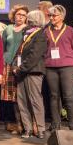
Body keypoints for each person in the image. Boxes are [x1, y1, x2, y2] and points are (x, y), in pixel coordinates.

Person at [13, 10, 47, 138]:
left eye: (28, 18)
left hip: (33, 71)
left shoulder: (40, 35)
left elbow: (34, 56)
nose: (26, 19)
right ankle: (27, 128)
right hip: (22, 72)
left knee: (35, 100)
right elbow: (20, 52)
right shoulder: (26, 34)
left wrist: (20, 68)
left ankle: (40, 129)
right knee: (22, 101)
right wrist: (15, 65)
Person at [45, 5, 73, 131]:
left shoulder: (69, 30)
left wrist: (72, 62)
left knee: (68, 96)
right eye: (50, 15)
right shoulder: (47, 30)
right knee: (54, 96)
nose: (52, 18)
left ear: (62, 17)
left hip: (67, 67)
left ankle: (72, 124)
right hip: (50, 67)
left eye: (54, 15)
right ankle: (55, 124)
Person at [1, 4, 29, 135]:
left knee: (22, 96)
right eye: (18, 14)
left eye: (23, 15)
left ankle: (25, 124)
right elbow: (2, 47)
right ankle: (17, 124)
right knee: (12, 97)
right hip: (8, 65)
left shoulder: (28, 29)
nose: (20, 17)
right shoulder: (8, 29)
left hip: (21, 66)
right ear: (14, 15)